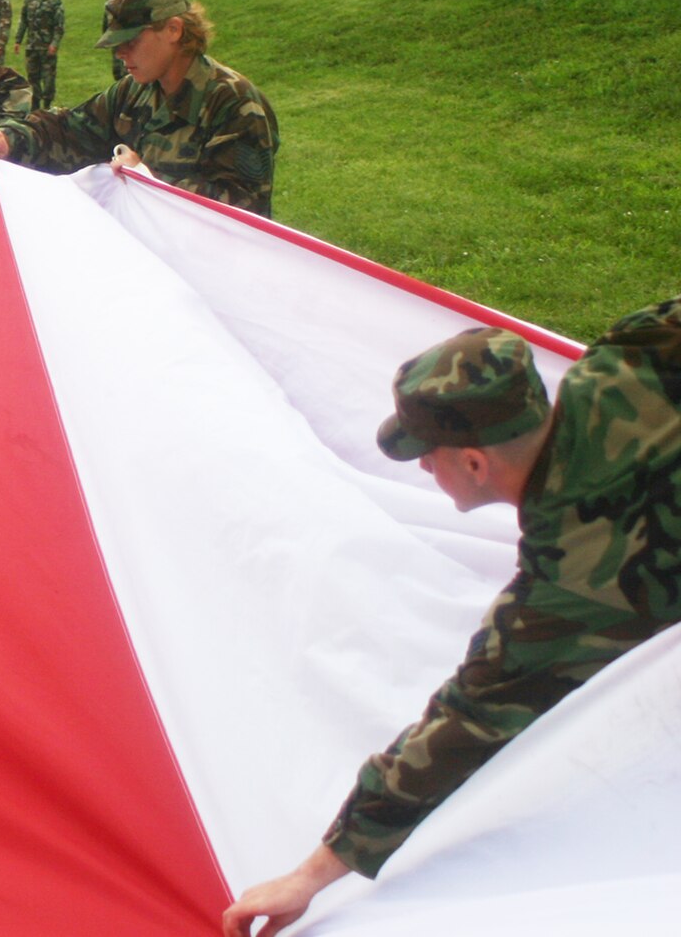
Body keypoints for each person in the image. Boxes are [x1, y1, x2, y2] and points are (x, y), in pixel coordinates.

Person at [223, 300, 681, 937]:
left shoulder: (573, 578)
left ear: (474, 461)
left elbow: (468, 722)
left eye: (429, 454)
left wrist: (309, 877)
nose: (422, 467)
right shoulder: (625, 355)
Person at [0, 0, 279, 217]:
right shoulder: (135, 91)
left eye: (131, 41)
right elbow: (72, 129)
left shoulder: (234, 103)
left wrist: (146, 177)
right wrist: (11, 139)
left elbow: (243, 209)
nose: (120, 53)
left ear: (173, 30)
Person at [14, 0, 67, 109]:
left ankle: (47, 105)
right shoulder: (29, 0)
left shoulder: (55, 2)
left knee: (48, 79)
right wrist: (18, 40)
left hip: (46, 47)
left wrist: (54, 44)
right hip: (32, 46)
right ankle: (35, 105)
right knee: (33, 78)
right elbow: (23, 21)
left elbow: (59, 26)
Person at [98, 0, 131, 81]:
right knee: (117, 72)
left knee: (128, 72)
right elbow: (108, 11)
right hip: (115, 36)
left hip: (128, 35)